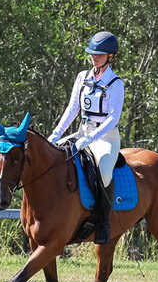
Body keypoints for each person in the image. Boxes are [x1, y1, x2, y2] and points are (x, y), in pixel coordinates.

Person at [48, 31, 125, 244]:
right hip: (82, 131)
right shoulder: (83, 77)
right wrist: (55, 135)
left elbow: (113, 118)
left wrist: (91, 139)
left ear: (110, 56)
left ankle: (103, 223)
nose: (94, 57)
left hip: (106, 138)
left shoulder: (116, 83)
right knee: (53, 158)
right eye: (92, 53)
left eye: (99, 54)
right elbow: (72, 109)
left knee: (103, 170)